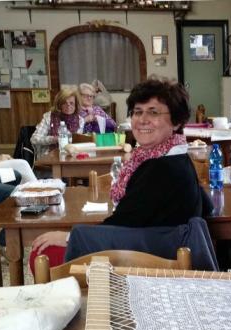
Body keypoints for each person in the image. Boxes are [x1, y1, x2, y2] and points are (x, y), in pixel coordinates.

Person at [29, 77, 212, 270]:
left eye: (153, 112)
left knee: (42, 254)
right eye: (137, 112)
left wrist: (69, 237)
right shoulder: (174, 155)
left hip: (154, 260)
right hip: (154, 244)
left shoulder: (162, 167)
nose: (142, 119)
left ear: (176, 122)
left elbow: (122, 226)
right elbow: (205, 207)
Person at [31, 87, 84, 158]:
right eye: (64, 103)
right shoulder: (49, 116)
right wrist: (53, 139)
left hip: (71, 156)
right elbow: (34, 139)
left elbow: (76, 142)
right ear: (59, 104)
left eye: (71, 103)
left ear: (76, 105)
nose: (68, 106)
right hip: (49, 156)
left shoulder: (80, 120)